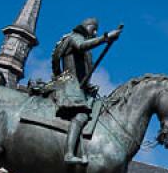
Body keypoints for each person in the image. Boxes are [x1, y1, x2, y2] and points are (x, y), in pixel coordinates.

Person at [50, 18, 122, 164]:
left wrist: (88, 86)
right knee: (82, 115)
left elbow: (82, 73)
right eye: (94, 29)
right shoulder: (74, 38)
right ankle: (69, 154)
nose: (95, 32)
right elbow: (81, 46)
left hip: (79, 86)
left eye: (97, 30)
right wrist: (105, 37)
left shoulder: (85, 49)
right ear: (86, 26)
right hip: (69, 84)